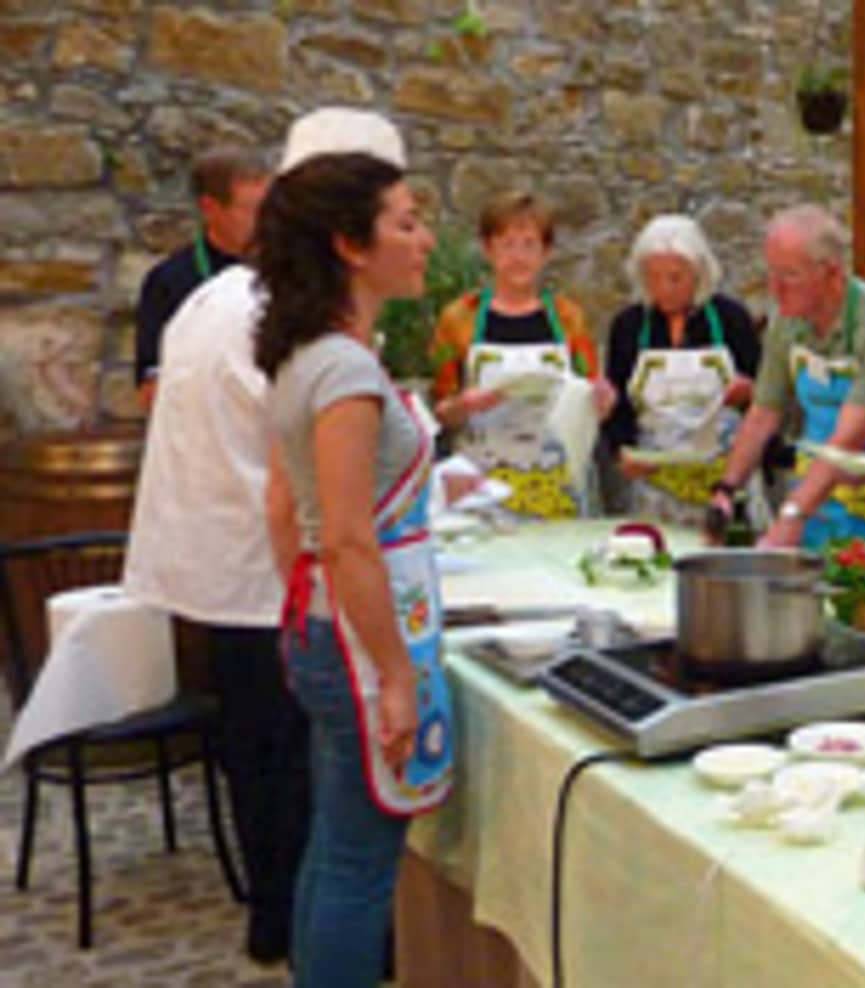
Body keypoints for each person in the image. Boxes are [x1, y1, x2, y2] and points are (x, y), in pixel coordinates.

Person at [121, 128, 339, 967]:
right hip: (255, 556)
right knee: (276, 747)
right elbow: (298, 436)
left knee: (257, 743)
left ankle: (273, 908)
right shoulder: (224, 302)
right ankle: (284, 905)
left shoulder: (224, 306)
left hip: (231, 553)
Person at [257, 142, 454, 988]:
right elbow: (344, 537)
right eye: (406, 224)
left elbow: (281, 510)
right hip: (358, 639)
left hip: (322, 623)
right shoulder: (342, 370)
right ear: (349, 243)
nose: (425, 241)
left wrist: (303, 615)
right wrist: (394, 674)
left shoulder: (307, 356)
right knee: (359, 864)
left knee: (333, 846)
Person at [709, 205, 865, 550]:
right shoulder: (788, 321)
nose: (775, 289)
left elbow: (848, 438)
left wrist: (791, 516)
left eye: (789, 275)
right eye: (771, 274)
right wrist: (726, 490)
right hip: (813, 494)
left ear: (832, 273)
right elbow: (763, 414)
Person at [430, 191, 614, 520]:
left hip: (556, 485)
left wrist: (603, 398)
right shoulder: (458, 319)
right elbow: (441, 413)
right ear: (488, 249)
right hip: (481, 488)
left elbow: (591, 397)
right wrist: (465, 405)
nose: (519, 257)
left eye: (529, 245)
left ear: (547, 252)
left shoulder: (569, 318)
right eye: (507, 245)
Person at [602, 214, 763, 528]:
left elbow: (767, 397)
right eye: (654, 277)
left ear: (700, 273)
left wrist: (748, 391)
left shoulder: (730, 319)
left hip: (723, 478)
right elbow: (617, 400)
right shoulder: (629, 326)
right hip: (655, 483)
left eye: (676, 277)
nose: (665, 288)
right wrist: (622, 450)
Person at [134, 146, 271, 408]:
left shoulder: (292, 268)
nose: (268, 222)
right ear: (210, 208)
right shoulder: (169, 281)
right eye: (254, 211)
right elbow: (150, 390)